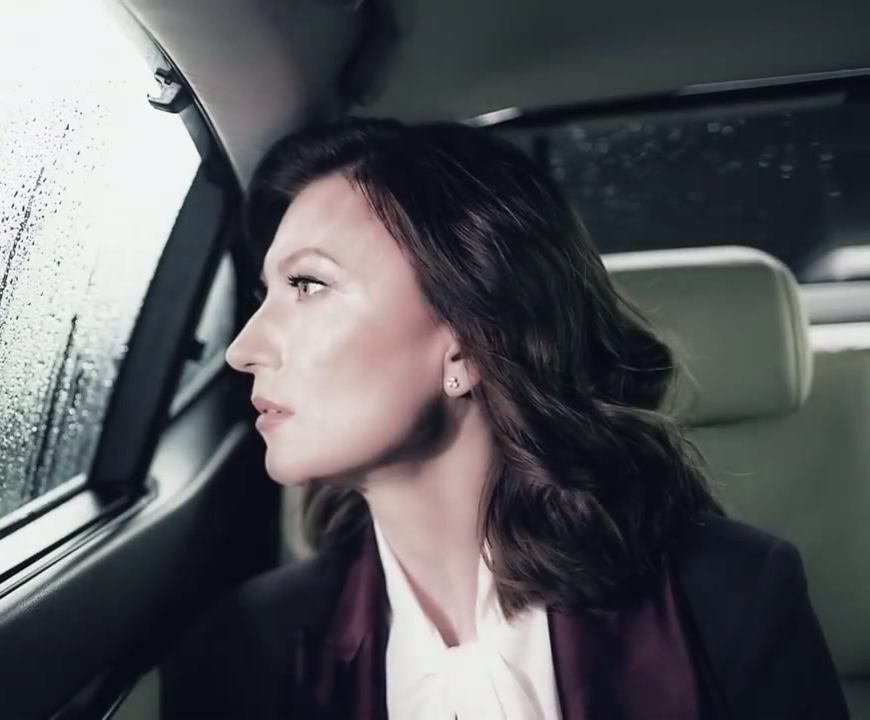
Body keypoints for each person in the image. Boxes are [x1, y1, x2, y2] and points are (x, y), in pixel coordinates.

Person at [160, 118, 847, 719]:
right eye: (265, 292)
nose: (243, 349)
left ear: (467, 339)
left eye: (308, 284)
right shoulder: (242, 652)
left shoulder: (728, 598)